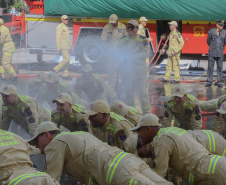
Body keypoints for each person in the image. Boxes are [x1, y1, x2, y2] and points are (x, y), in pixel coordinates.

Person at [28, 121, 173, 185]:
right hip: (129, 160)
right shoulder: (78, 135)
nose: (39, 148)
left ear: (46, 135)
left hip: (115, 171)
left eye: (37, 142)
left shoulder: (55, 144)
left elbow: (51, 180)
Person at [131, 113, 226, 185]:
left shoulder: (161, 141)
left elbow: (158, 178)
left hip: (212, 174)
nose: (138, 135)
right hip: (217, 165)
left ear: (148, 129)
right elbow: (173, 170)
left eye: (139, 131)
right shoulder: (170, 131)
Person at [118, 19, 151, 114]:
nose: (129, 29)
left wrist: (131, 57)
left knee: (143, 93)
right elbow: (119, 53)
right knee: (129, 93)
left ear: (136, 28)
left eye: (131, 27)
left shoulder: (143, 39)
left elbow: (145, 53)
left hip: (140, 72)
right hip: (127, 71)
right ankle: (131, 113)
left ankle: (147, 114)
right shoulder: (123, 40)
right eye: (127, 27)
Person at [101, 14, 127, 89]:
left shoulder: (122, 27)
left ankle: (123, 86)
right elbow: (102, 38)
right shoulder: (107, 27)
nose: (112, 24)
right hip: (111, 53)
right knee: (111, 70)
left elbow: (126, 38)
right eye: (111, 22)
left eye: (113, 22)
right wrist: (106, 39)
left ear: (117, 20)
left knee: (122, 69)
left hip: (120, 53)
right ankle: (111, 87)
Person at [205, 20, 226, 88]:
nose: (222, 26)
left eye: (223, 25)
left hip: (220, 52)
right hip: (212, 52)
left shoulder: (224, 32)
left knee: (220, 68)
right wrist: (213, 47)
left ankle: (219, 81)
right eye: (220, 25)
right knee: (210, 67)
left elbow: (224, 42)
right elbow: (208, 41)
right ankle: (209, 81)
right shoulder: (212, 31)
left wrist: (220, 48)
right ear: (217, 25)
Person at [54, 15, 72, 79]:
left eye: (67, 19)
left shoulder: (66, 27)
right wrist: (58, 46)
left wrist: (71, 46)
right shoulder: (60, 27)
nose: (67, 20)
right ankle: (56, 69)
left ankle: (65, 74)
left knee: (68, 60)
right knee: (66, 58)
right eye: (65, 19)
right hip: (63, 46)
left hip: (67, 46)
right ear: (62, 20)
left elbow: (68, 38)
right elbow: (57, 37)